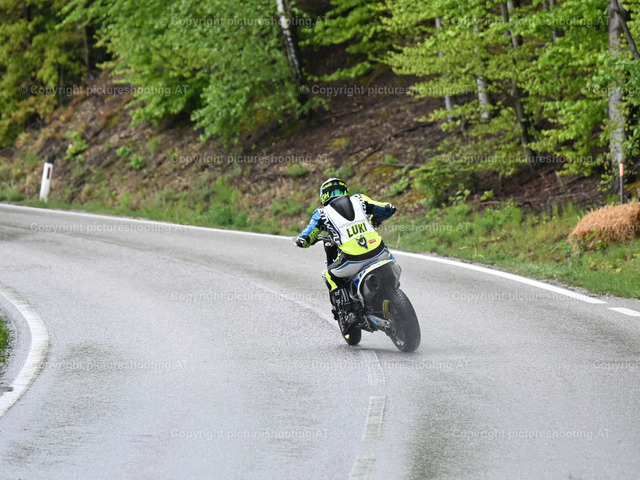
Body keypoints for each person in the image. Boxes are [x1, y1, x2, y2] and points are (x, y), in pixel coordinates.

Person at [295, 177, 396, 320]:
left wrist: (301, 242)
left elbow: (306, 238)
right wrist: (374, 221)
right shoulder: (360, 199)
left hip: (352, 259)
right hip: (380, 252)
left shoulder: (322, 213)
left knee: (329, 275)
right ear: (345, 190)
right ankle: (393, 288)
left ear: (323, 196)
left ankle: (349, 312)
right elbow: (388, 209)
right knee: (389, 257)